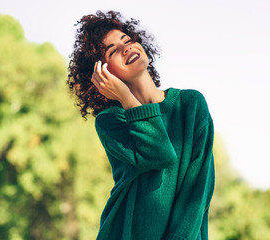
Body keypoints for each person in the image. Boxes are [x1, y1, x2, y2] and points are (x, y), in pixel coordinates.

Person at [67, 10, 215, 240]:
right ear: (102, 72)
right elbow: (160, 155)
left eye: (128, 40)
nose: (126, 48)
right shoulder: (111, 121)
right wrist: (126, 98)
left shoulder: (191, 104)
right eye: (113, 50)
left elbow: (198, 189)